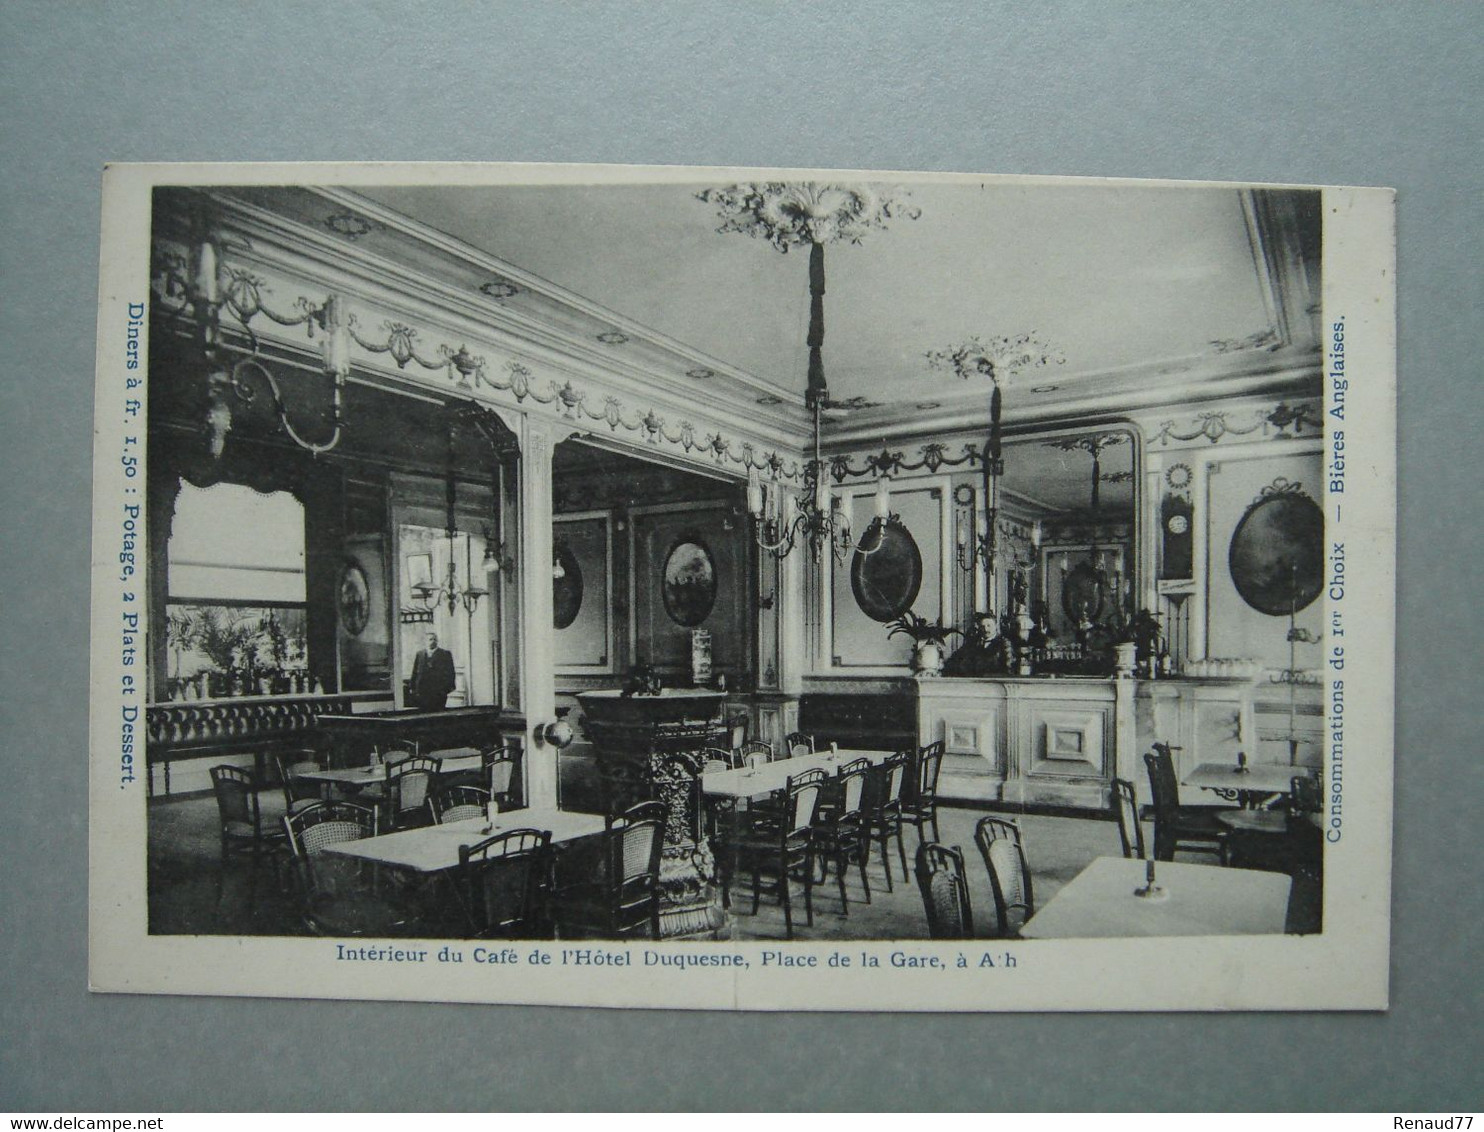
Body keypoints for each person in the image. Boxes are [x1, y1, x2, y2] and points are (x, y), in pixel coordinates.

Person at [408, 631, 456, 710]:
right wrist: (412, 687)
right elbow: (415, 672)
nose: (433, 641)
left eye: (435, 639)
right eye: (430, 639)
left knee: (438, 712)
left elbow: (451, 672)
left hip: (439, 692)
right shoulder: (420, 654)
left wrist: (448, 688)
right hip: (422, 691)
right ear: (425, 641)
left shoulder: (445, 654)